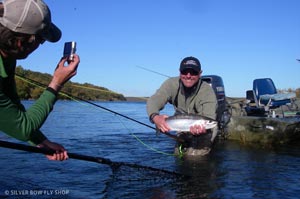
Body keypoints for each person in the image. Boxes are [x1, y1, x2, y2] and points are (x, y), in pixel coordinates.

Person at [0, 0, 80, 161]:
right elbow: (22, 128)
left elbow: (15, 111)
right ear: (20, 41)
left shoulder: (7, 58)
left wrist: (41, 141)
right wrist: (56, 83)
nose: (40, 46)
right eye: (41, 39)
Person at [147, 56, 217, 157]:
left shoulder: (207, 92)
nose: (188, 76)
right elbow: (154, 100)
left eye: (193, 72)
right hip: (181, 125)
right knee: (178, 156)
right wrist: (155, 117)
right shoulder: (171, 84)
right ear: (180, 72)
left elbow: (209, 117)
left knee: (194, 158)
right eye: (185, 72)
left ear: (200, 74)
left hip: (204, 130)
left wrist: (202, 130)